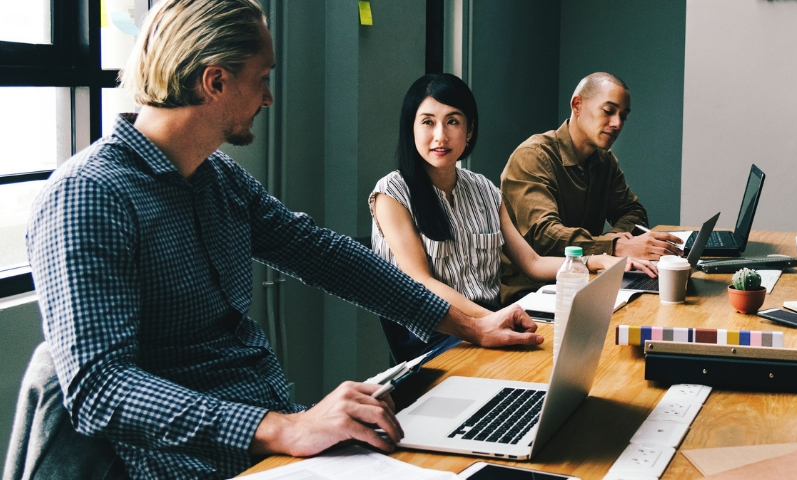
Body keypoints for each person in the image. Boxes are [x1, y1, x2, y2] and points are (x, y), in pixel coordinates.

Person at [23, 1, 540, 477]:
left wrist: (471, 326)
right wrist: (286, 428)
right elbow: (100, 390)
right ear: (215, 81)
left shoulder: (217, 177)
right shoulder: (88, 195)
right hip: (186, 464)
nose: (269, 97)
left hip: (270, 442)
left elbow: (325, 255)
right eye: (262, 78)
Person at [369, 73, 652, 361]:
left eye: (453, 121)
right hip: (432, 341)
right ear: (411, 128)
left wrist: (596, 260)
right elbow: (423, 282)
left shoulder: (484, 190)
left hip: (488, 328)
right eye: (428, 122)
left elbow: (532, 262)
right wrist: (489, 320)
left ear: (469, 131)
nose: (440, 135)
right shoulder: (391, 194)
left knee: (584, 347)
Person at [500, 72, 683, 267]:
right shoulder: (532, 156)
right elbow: (545, 236)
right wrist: (613, 246)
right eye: (608, 111)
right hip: (533, 287)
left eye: (623, 116)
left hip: (589, 273)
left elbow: (633, 212)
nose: (617, 123)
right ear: (577, 105)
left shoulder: (605, 161)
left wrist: (615, 239)